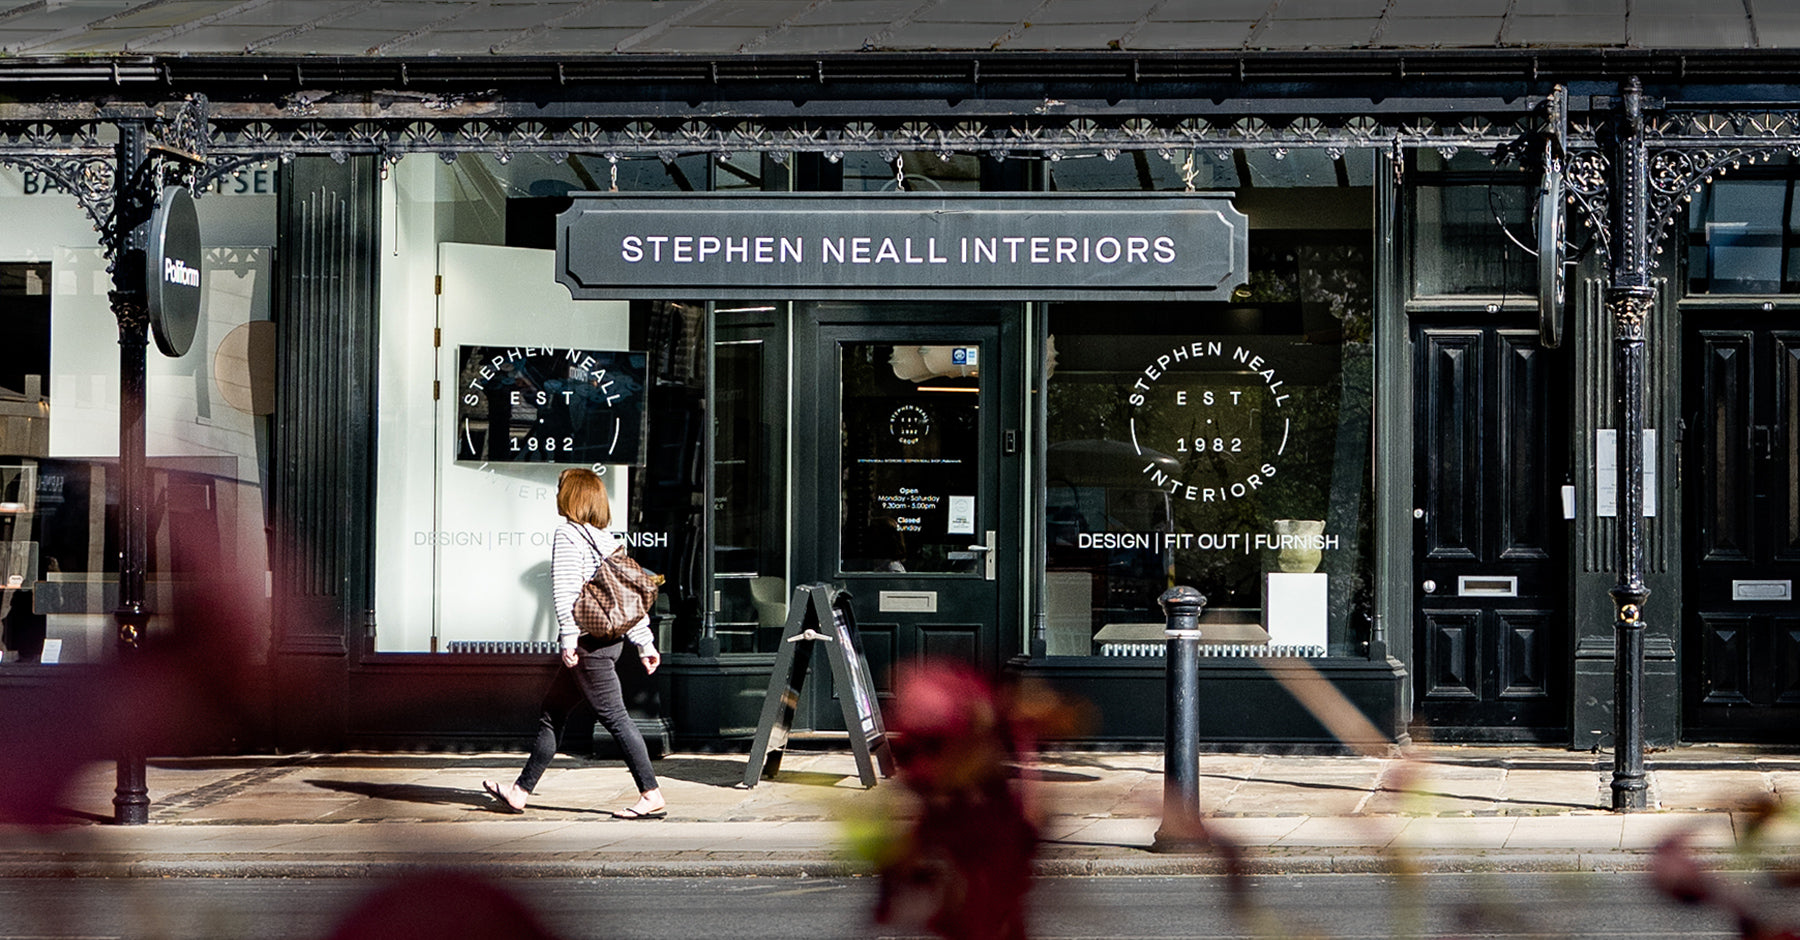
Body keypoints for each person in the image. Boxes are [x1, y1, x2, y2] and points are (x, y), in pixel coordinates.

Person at [483, 467, 666, 820]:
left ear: (571, 497)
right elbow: (628, 597)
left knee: (615, 718)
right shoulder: (606, 539)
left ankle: (651, 793)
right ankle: (520, 792)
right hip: (609, 641)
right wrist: (644, 642)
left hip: (587, 646)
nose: (556, 494)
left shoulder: (568, 535)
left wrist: (568, 638)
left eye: (560, 488)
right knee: (553, 713)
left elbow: (566, 592)